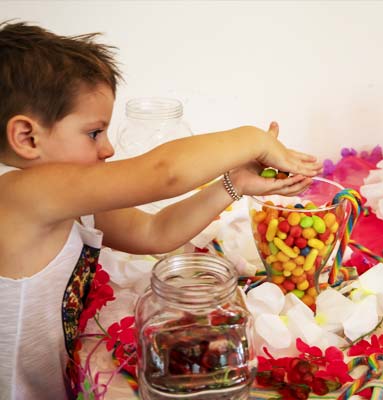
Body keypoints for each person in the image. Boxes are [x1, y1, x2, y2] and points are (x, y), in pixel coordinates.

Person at [0, 21, 322, 399]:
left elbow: (155, 231)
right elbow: (164, 173)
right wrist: (253, 140)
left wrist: (234, 184)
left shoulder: (69, 203)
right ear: (27, 137)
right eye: (94, 133)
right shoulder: (18, 194)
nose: (108, 149)